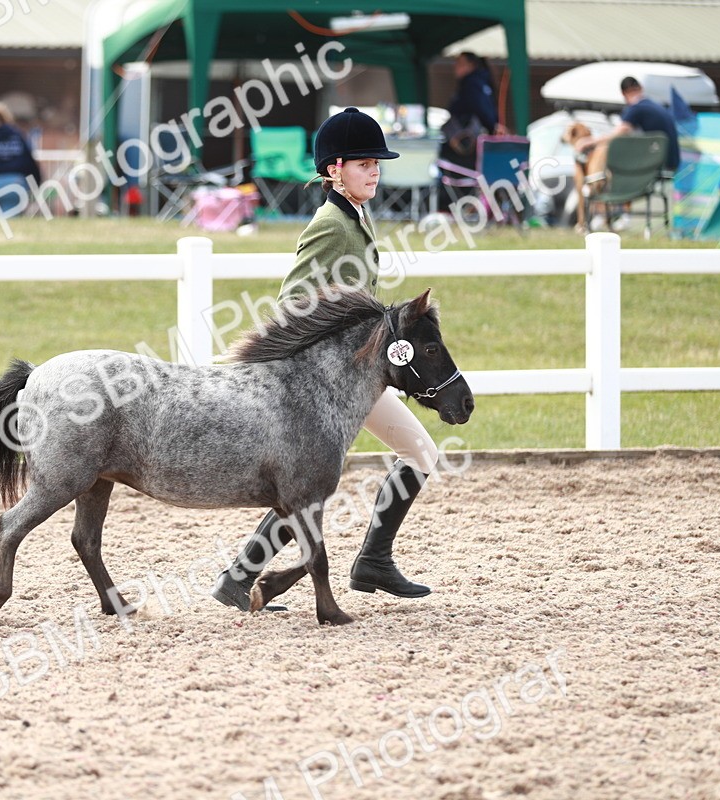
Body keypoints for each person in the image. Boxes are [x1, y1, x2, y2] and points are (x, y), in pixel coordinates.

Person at [212, 107, 445, 612]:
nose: (375, 172)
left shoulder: (354, 217)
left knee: (311, 479)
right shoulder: (332, 225)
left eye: (377, 164)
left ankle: (241, 578)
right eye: (364, 164)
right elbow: (294, 301)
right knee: (414, 453)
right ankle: (373, 562)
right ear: (334, 168)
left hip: (355, 374)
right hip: (328, 379)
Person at [573, 77, 680, 231]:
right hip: (669, 164)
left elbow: (618, 133)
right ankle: (617, 216)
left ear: (624, 94)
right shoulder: (657, 107)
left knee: (613, 166)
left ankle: (607, 216)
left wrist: (590, 142)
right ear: (640, 88)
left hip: (652, 169)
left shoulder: (636, 109)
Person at [438, 52, 506, 207]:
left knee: (459, 172)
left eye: (460, 63)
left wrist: (491, 126)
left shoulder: (472, 83)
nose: (455, 66)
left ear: (471, 65)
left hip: (466, 145)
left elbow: (481, 109)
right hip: (476, 144)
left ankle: (459, 205)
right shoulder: (483, 82)